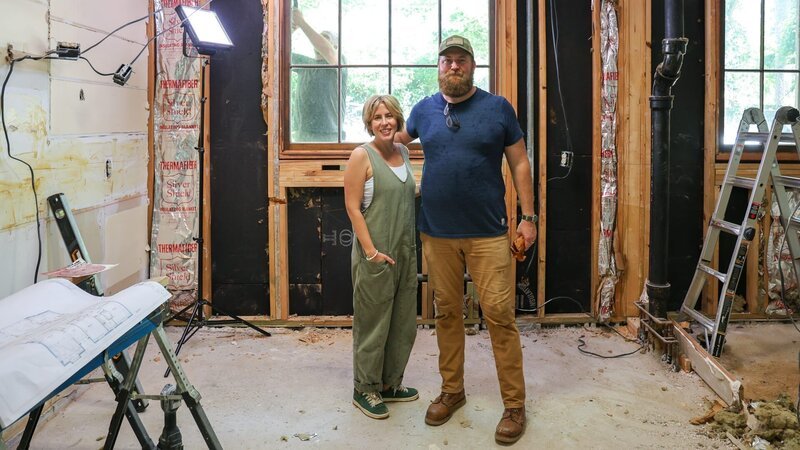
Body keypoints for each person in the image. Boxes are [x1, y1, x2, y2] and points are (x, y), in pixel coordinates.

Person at [395, 35, 536, 444]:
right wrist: (375, 132)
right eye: (447, 60)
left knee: (498, 315)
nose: (454, 66)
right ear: (437, 67)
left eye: (461, 60)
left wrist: (528, 218)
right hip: (436, 232)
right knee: (446, 313)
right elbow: (396, 141)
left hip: (489, 232)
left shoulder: (498, 109)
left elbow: (520, 162)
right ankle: (452, 392)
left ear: (473, 66)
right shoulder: (424, 110)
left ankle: (514, 405)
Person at [344, 94, 419, 419]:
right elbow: (352, 207)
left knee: (403, 321)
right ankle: (365, 388)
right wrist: (371, 252)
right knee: (373, 324)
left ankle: (390, 383)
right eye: (377, 117)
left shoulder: (403, 152)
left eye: (389, 115)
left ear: (398, 119)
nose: (384, 122)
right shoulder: (362, 156)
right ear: (369, 123)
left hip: (404, 253)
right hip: (375, 254)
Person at [290, 8, 346, 142]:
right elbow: (278, 54)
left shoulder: (340, 63)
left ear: (336, 46)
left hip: (331, 136)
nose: (318, 42)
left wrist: (302, 23)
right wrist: (290, 30)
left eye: (325, 38)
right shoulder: (305, 63)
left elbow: (327, 50)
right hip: (301, 134)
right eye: (319, 38)